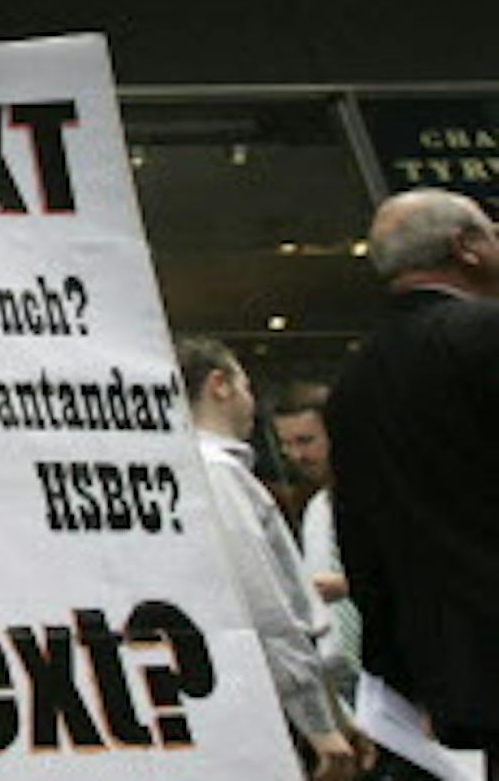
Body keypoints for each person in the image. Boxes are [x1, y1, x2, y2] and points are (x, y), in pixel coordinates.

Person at [330, 188, 499, 774]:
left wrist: (405, 671)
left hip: (456, 671)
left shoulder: (353, 383)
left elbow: (361, 541)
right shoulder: (485, 335)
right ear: (467, 247)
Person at [179, 337, 365, 781]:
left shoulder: (210, 471)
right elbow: (268, 611)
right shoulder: (218, 473)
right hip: (270, 709)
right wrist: (321, 724)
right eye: (245, 382)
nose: (250, 399)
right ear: (220, 384)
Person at [270, 383, 359, 697]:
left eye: (306, 441)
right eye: (287, 445)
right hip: (340, 678)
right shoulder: (317, 510)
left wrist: (346, 585)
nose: (297, 455)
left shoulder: (387, 497)